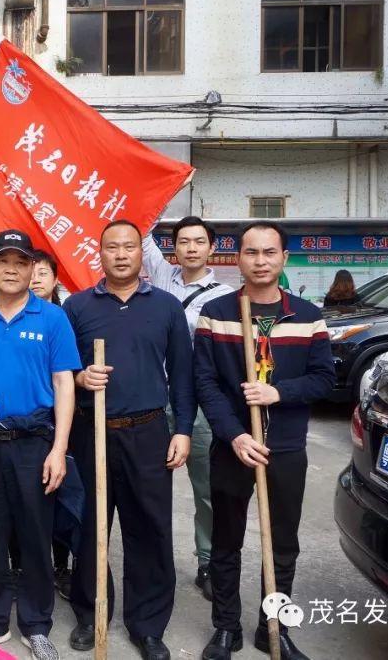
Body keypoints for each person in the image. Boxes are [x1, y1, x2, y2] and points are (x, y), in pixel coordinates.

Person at [194, 222, 334, 660]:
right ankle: (225, 627)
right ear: (238, 259)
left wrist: (278, 392)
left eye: (269, 253)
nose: (260, 261)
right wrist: (233, 434)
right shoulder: (216, 313)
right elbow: (205, 383)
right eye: (251, 253)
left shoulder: (308, 316)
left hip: (286, 447)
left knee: (283, 542)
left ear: (284, 258)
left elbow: (325, 379)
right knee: (226, 539)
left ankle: (274, 626)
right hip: (234, 446)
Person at [63, 220, 196, 660]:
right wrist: (82, 377)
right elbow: (60, 374)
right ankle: (90, 613)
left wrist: (182, 430)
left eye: (129, 247)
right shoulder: (78, 307)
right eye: (112, 247)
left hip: (149, 432)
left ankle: (148, 625)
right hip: (92, 431)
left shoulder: (166, 307)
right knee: (89, 529)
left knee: (150, 530)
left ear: (142, 254)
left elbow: (181, 375)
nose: (121, 254)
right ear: (98, 253)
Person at [0, 231, 83, 660]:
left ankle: (37, 622)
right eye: (3, 260)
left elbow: (64, 383)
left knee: (35, 533)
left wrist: (59, 448)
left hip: (36, 441)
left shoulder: (52, 318)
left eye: (21, 262)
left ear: (32, 269)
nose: (11, 268)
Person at [141, 216, 235, 601]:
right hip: (153, 397)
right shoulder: (162, 278)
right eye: (183, 241)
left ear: (212, 248)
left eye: (199, 241)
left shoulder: (224, 295)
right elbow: (142, 234)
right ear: (174, 248)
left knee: (206, 487)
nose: (191, 248)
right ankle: (151, 560)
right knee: (147, 485)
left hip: (198, 402)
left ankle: (208, 560)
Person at [28, 249, 74, 599]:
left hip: (60, 423)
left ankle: (59, 566)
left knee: (58, 500)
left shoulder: (63, 316)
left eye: (44, 273)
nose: (36, 278)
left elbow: (66, 378)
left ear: (56, 279)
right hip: (22, 426)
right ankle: (23, 569)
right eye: (33, 271)